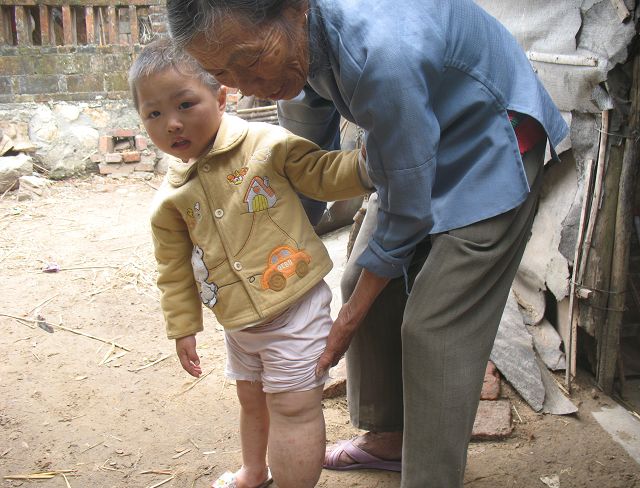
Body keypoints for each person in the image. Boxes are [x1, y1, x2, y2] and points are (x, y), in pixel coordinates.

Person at [165, 1, 569, 486]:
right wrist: (270, 246)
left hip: (488, 137)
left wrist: (346, 321)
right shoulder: (289, 51)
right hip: (410, 137)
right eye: (222, 74)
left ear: (294, 8)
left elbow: (408, 209)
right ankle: (389, 438)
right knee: (360, 278)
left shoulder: (381, 49)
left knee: (434, 328)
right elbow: (301, 164)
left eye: (249, 61)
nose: (246, 85)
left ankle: (430, 479)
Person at [128, 37, 372, 488]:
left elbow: (322, 173)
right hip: (238, 321)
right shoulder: (169, 198)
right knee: (252, 400)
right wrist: (183, 326)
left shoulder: (266, 144)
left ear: (221, 97)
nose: (172, 123)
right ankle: (255, 472)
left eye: (185, 104)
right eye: (154, 114)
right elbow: (173, 269)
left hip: (294, 309)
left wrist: (368, 166)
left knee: (293, 408)